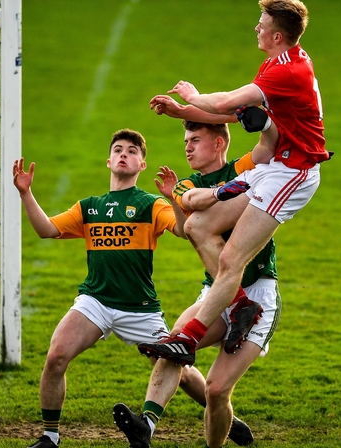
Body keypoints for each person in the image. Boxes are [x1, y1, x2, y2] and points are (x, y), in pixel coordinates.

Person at [13, 129, 250, 448]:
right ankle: (50, 437)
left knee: (177, 367)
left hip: (140, 309)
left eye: (132, 151)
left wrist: (172, 199)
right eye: (118, 149)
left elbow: (184, 231)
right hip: (95, 301)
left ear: (142, 164)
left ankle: (221, 415)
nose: (124, 154)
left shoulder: (150, 204)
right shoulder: (89, 207)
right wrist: (26, 193)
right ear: (109, 161)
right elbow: (46, 229)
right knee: (56, 356)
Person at [139, 0, 329, 370]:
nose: (256, 28)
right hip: (274, 164)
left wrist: (192, 96)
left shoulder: (286, 71)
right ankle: (242, 304)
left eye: (262, 25)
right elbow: (234, 113)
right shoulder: (281, 62)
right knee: (196, 226)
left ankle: (188, 338)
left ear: (277, 35)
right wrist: (186, 113)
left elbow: (226, 102)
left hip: (294, 172)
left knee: (230, 258)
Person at [113, 120, 280, 448]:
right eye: (186, 141)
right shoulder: (186, 184)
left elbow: (268, 147)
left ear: (218, 144)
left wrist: (261, 117)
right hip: (218, 291)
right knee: (174, 345)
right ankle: (146, 424)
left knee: (216, 391)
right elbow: (189, 201)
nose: (187, 147)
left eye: (195, 140)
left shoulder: (243, 169)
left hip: (260, 293)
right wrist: (219, 192)